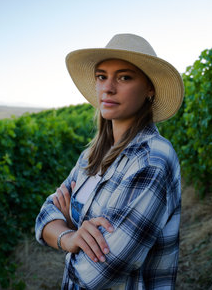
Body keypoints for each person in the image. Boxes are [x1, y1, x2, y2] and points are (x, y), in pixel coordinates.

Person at [35, 33, 184, 289]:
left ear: (149, 88)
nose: (108, 87)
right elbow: (44, 216)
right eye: (102, 76)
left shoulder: (152, 161)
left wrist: (67, 225)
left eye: (124, 77)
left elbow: (96, 273)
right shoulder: (90, 156)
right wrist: (70, 238)